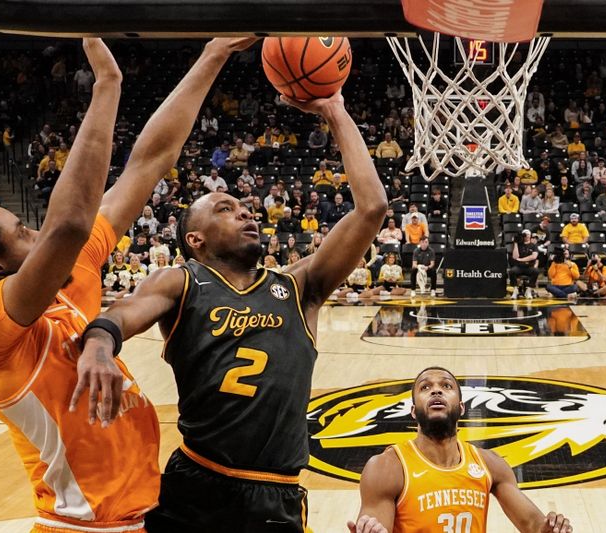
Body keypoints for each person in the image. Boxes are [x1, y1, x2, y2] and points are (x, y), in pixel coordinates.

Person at [0, 38, 257, 533]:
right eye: (22, 232)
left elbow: (150, 161)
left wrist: (214, 54)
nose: (37, 232)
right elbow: (69, 223)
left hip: (145, 518)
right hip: (80, 528)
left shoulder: (72, 283)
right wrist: (106, 87)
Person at [72, 89, 387, 532]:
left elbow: (371, 208)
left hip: (277, 494)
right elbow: (123, 313)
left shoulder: (299, 286)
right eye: (226, 210)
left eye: (245, 209)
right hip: (199, 485)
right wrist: (100, 343)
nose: (246, 214)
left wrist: (335, 110)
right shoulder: (183, 280)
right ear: (196, 240)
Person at [347, 367, 573, 533]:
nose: (436, 391)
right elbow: (375, 527)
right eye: (425, 387)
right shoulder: (388, 467)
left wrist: (552, 529)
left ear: (461, 407)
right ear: (414, 412)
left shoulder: (489, 464)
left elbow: (533, 525)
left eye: (446, 386)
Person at [508, 229, 539, 300]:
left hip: (529, 267)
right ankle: (515, 290)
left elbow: (534, 256)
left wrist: (521, 259)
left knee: (536, 271)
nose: (527, 236)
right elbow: (515, 257)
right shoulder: (519, 245)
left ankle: (528, 290)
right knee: (511, 271)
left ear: (530, 235)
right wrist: (515, 243)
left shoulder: (533, 246)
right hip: (519, 266)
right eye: (525, 234)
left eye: (528, 234)